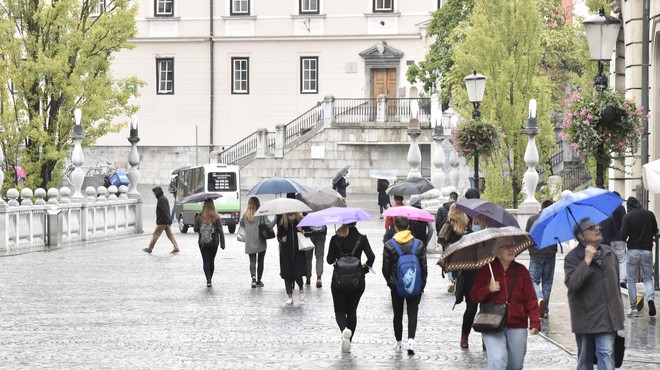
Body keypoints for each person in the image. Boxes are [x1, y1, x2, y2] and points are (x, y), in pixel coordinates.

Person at [470, 238, 540, 369]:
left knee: (515, 365)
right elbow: (474, 296)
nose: (511, 249)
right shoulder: (487, 270)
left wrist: (535, 322)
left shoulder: (522, 270)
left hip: (517, 324)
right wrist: (488, 289)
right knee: (498, 361)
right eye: (506, 247)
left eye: (512, 245)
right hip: (492, 323)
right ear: (497, 252)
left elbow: (531, 298)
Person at [565, 217, 624, 369]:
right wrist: (586, 261)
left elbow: (616, 287)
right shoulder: (572, 258)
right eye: (591, 228)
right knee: (585, 358)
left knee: (606, 351)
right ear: (580, 236)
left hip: (608, 316)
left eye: (596, 226)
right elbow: (572, 284)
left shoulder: (609, 253)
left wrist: (618, 315)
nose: (597, 229)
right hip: (585, 317)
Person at [326, 223, 375, 353]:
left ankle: (344, 331)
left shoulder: (335, 238)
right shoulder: (362, 238)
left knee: (339, 310)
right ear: (355, 222)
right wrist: (365, 268)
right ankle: (349, 341)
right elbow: (371, 257)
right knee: (352, 311)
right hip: (357, 281)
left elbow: (329, 260)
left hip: (339, 281)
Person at [382, 216, 428, 355]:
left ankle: (398, 343)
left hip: (396, 284)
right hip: (415, 283)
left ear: (395, 227)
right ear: (408, 226)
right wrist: (422, 284)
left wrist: (390, 283)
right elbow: (423, 266)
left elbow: (385, 268)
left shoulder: (390, 244)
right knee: (413, 312)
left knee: (398, 313)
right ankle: (411, 341)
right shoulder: (419, 244)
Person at [621, 196, 658, 317]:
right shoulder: (650, 214)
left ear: (629, 207)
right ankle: (650, 297)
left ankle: (634, 308)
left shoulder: (627, 217)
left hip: (632, 250)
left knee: (631, 280)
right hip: (647, 250)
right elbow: (655, 231)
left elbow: (623, 235)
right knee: (648, 278)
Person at [456, 214, 484, 349]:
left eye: (480, 221)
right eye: (476, 220)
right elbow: (459, 259)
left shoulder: (490, 238)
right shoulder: (467, 239)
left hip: (487, 280)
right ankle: (464, 336)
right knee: (471, 309)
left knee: (486, 310)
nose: (477, 223)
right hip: (471, 280)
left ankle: (487, 338)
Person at [525, 199, 556, 318]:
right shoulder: (554, 220)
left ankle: (539, 297)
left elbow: (527, 236)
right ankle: (545, 309)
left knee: (533, 280)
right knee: (547, 282)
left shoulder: (532, 219)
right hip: (550, 253)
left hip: (536, 253)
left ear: (541, 207)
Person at [239, 197, 274, 288]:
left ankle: (253, 278)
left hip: (250, 242)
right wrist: (275, 220)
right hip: (260, 241)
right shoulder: (261, 214)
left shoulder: (245, 215)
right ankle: (259, 280)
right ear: (258, 204)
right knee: (261, 260)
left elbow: (241, 223)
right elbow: (269, 226)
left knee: (252, 260)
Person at [438, 203, 470, 293]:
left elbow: (441, 228)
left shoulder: (450, 219)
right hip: (462, 243)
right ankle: (459, 279)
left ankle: (451, 280)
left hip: (450, 244)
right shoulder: (465, 219)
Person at [193, 199, 226, 287]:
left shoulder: (199, 216)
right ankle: (210, 278)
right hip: (214, 243)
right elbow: (220, 231)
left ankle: (208, 279)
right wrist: (223, 244)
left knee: (205, 261)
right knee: (211, 261)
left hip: (202, 243)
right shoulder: (216, 217)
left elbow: (195, 229)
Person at [277, 212, 307, 305]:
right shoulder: (283, 222)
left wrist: (302, 230)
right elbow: (278, 235)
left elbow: (308, 233)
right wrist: (282, 239)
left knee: (297, 274)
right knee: (287, 274)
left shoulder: (300, 220)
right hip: (286, 252)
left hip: (298, 252)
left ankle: (301, 289)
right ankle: (290, 296)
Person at [143, 186, 180, 254]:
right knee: (170, 235)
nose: (154, 195)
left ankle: (150, 248)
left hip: (163, 221)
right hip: (166, 221)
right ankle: (176, 247)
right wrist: (169, 220)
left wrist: (168, 220)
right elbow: (167, 211)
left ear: (157, 193)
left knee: (155, 234)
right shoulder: (163, 198)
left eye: (154, 193)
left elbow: (165, 211)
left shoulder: (161, 200)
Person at [609, 191, 627, 288]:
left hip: (610, 238)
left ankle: (613, 278)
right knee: (622, 259)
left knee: (612, 259)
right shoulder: (621, 208)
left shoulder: (608, 208)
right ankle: (622, 279)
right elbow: (624, 222)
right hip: (620, 238)